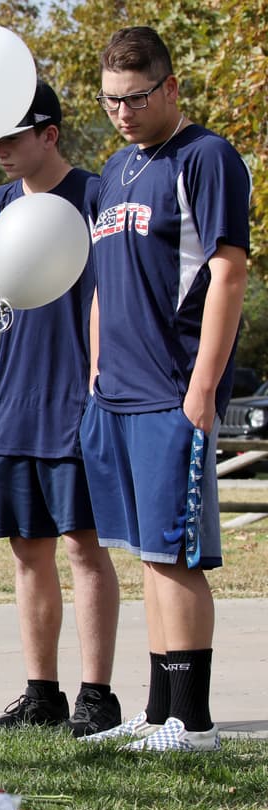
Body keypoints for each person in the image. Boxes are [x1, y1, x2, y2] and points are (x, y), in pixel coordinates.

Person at [79, 26, 250, 751]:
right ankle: (158, 712)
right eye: (112, 99)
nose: (123, 112)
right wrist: (93, 370)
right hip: (114, 392)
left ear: (171, 88)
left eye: (138, 97)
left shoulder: (206, 157)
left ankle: (194, 721)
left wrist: (203, 385)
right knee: (147, 551)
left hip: (171, 389)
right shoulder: (115, 168)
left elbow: (228, 272)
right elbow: (97, 283)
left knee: (176, 554)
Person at [0, 83, 123, 737]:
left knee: (83, 547)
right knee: (26, 548)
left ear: (50, 135)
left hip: (77, 398)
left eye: (14, 137)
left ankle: (98, 695)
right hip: (14, 400)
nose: (1, 151)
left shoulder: (96, 198)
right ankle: (43, 693)